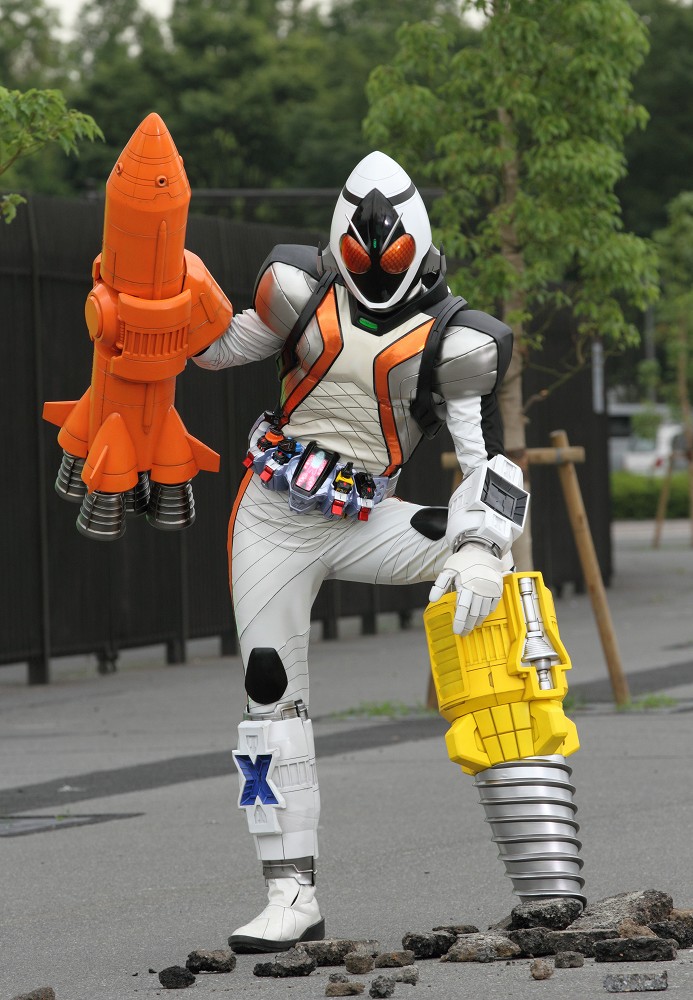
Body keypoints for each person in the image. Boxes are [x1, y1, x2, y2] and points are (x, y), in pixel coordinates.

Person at [194, 151, 579, 953]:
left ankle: (546, 873)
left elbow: (486, 466)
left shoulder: (457, 340)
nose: (376, 266)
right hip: (272, 517)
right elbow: (215, 349)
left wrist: (481, 545)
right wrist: (159, 307)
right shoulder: (296, 293)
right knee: (268, 698)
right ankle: (290, 893)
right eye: (362, 252)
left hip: (366, 517)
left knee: (487, 584)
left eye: (391, 252)